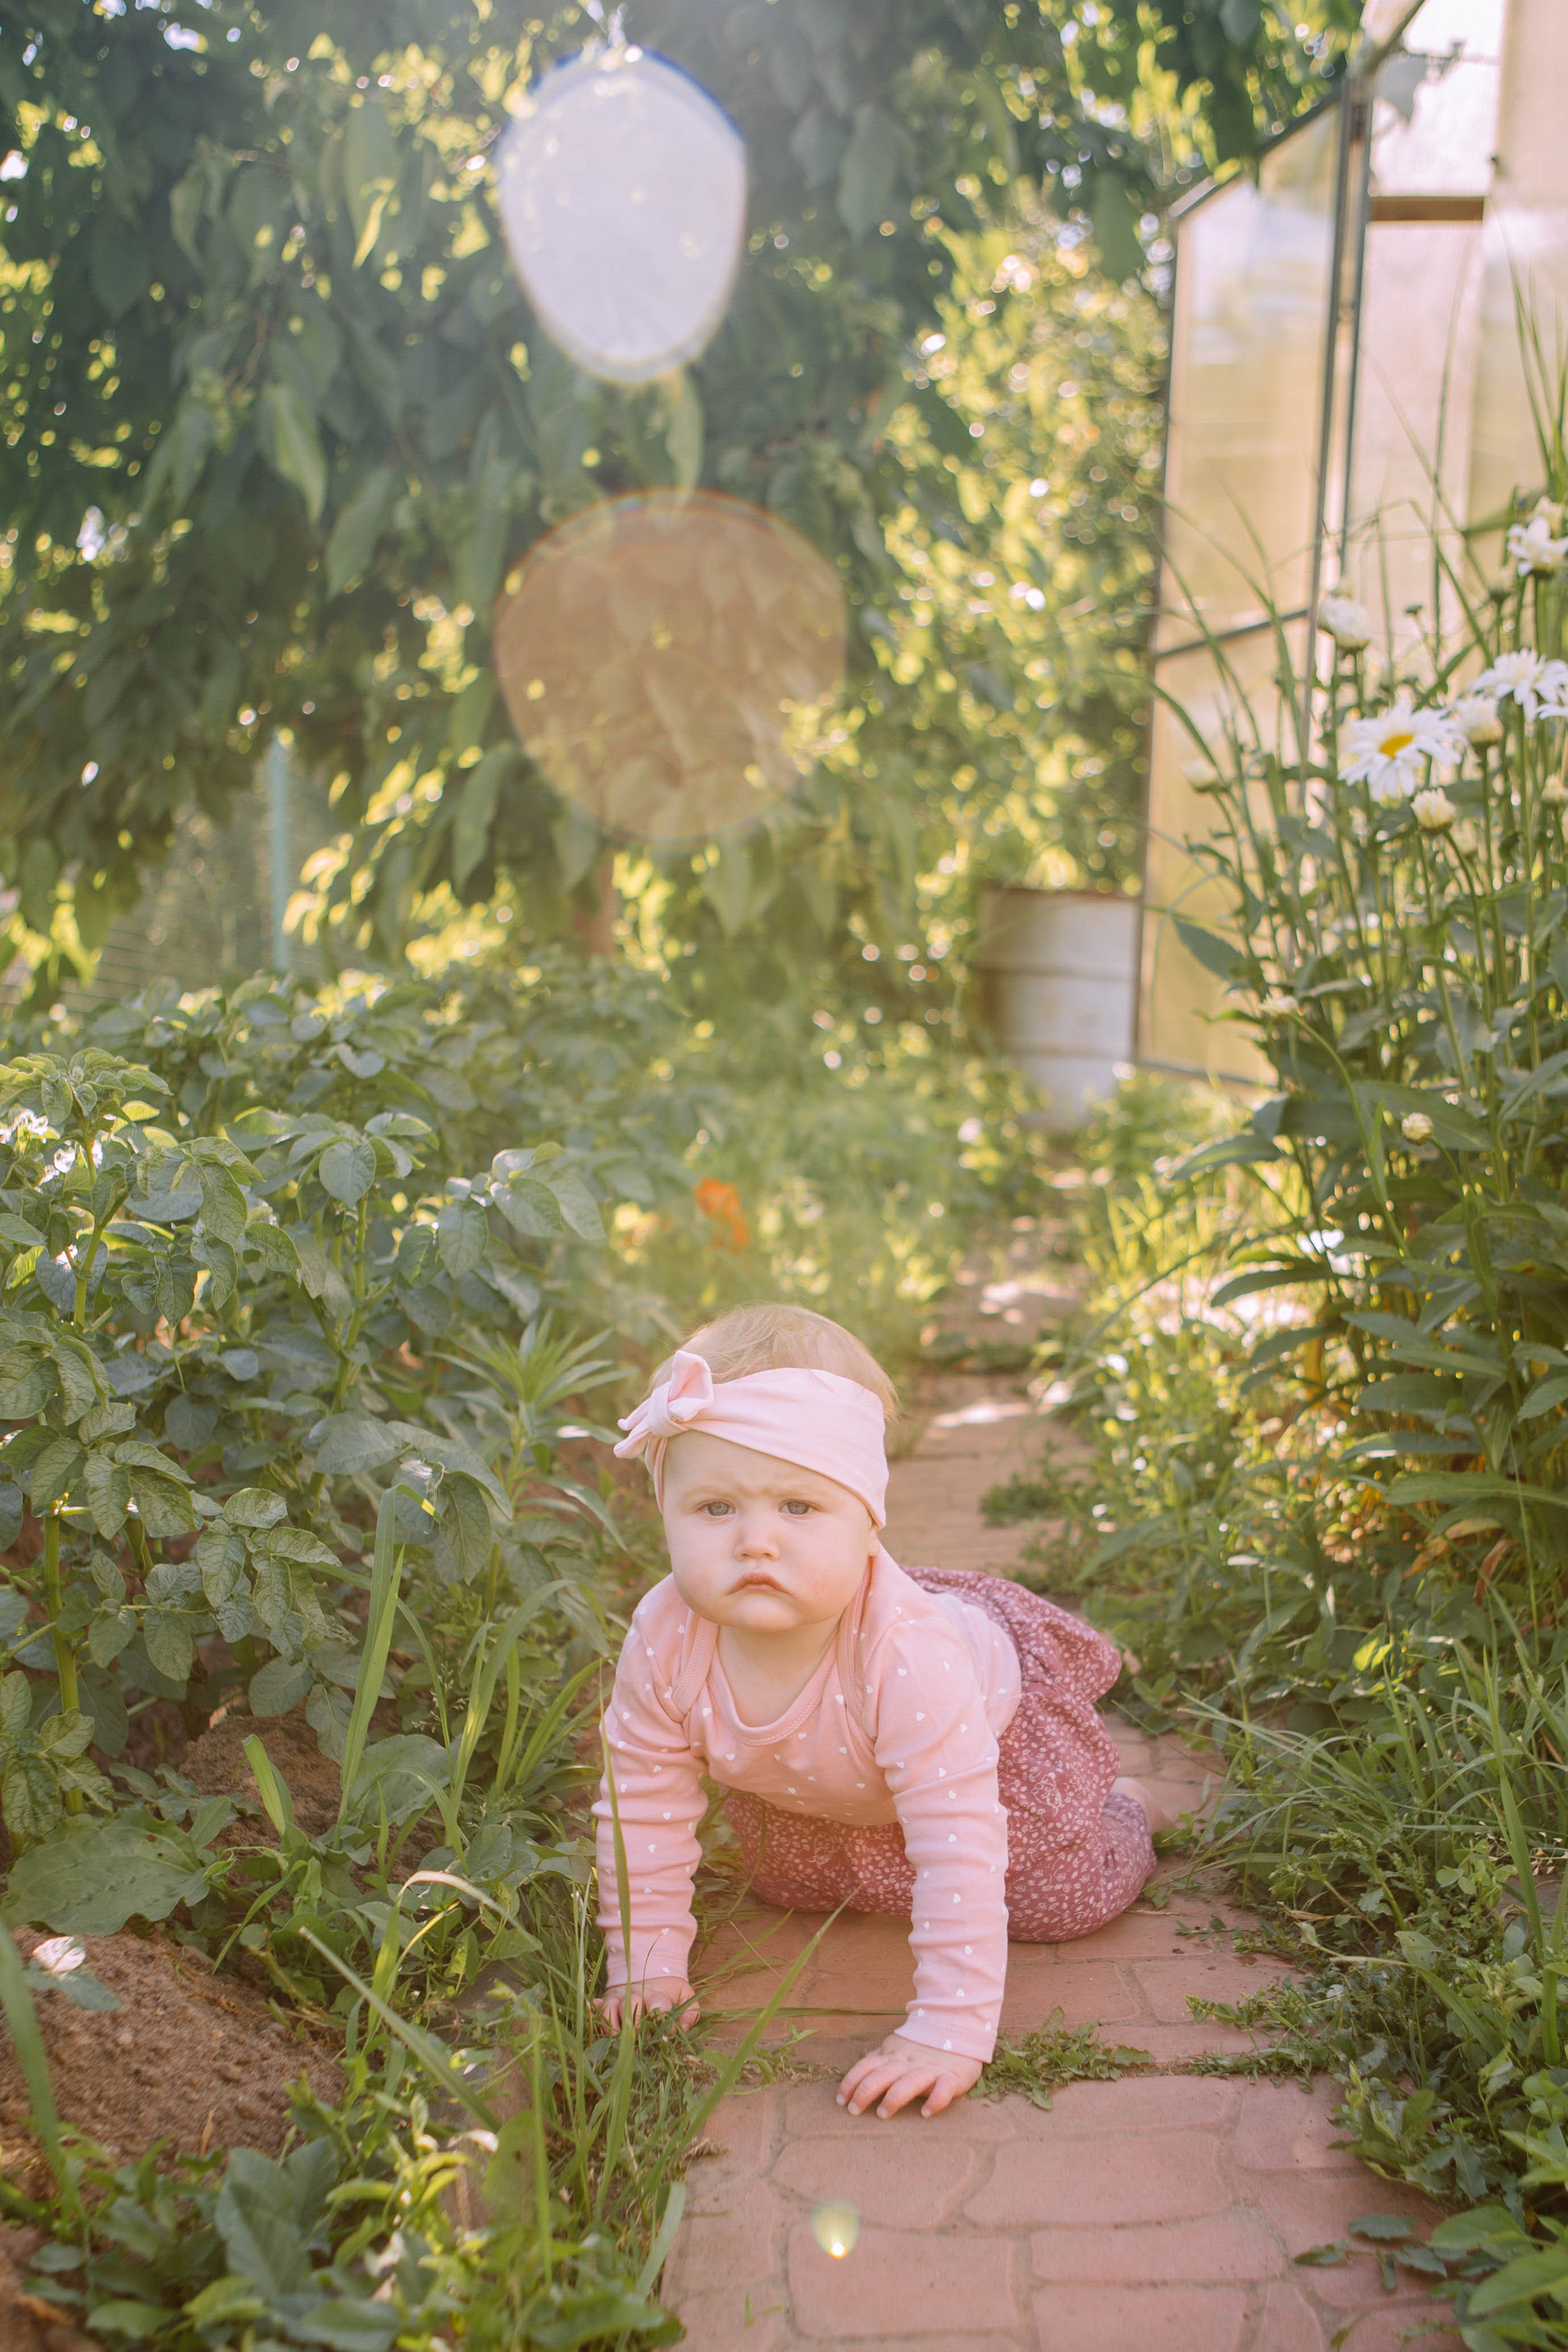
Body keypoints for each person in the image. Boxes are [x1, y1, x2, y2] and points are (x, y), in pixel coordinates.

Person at [592, 1302, 1160, 2122]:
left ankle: (1123, 1812)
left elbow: (957, 1841)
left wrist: (947, 2030)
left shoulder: (907, 1655)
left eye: (799, 1508)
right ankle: (861, 1852)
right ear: (667, 1510)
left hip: (981, 1755)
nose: (756, 1541)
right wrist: (646, 1968)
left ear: (867, 1520)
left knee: (1060, 1903)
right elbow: (640, 1806)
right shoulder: (663, 1637)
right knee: (782, 1884)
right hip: (826, 1782)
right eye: (715, 1509)